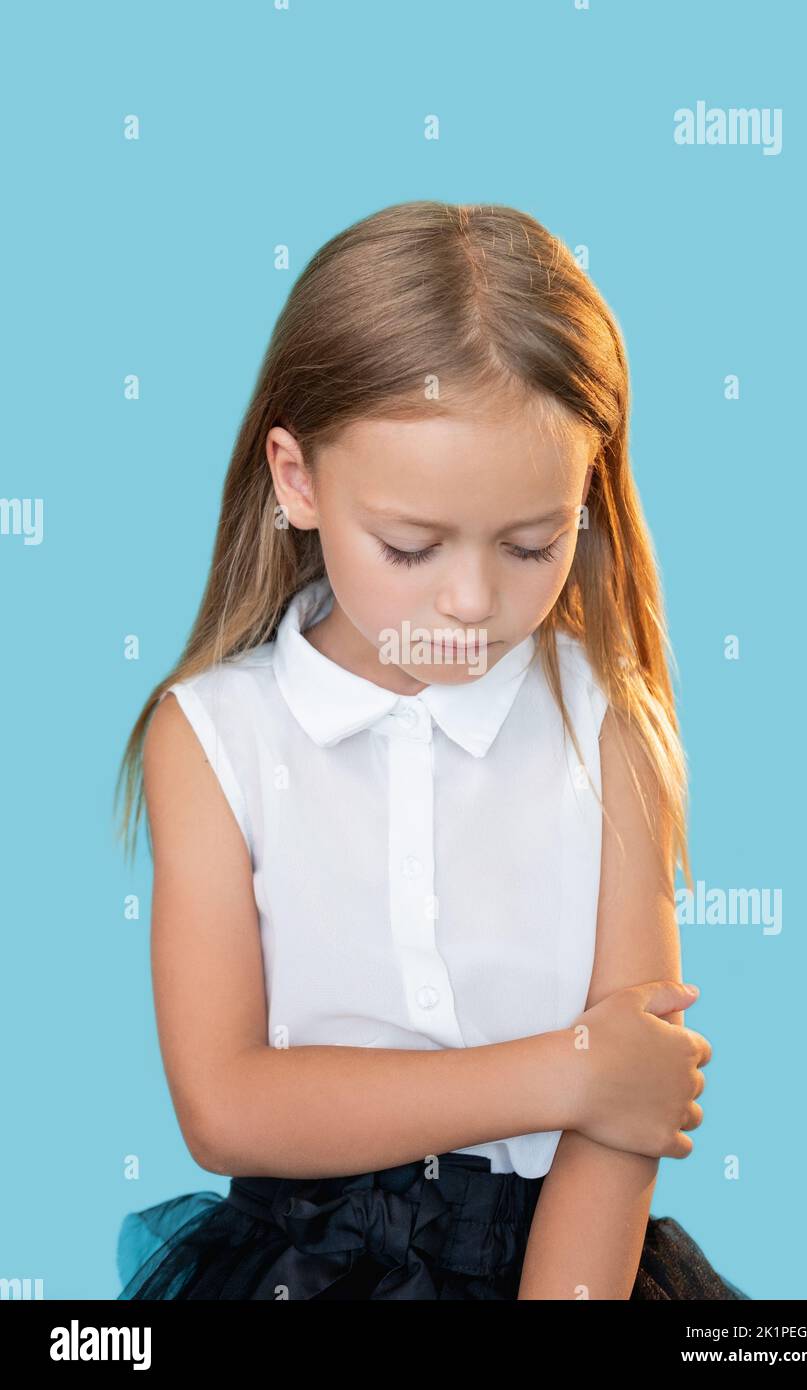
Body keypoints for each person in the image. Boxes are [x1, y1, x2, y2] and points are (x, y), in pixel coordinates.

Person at [113, 200, 750, 1300]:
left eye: (529, 542)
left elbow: (629, 1115)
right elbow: (226, 1106)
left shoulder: (608, 724)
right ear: (297, 480)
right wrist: (565, 1071)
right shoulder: (211, 737)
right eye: (409, 546)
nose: (467, 599)